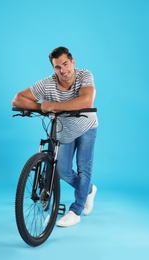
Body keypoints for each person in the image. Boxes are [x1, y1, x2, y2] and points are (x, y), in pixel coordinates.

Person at [12, 46, 98, 227]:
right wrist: (44, 106)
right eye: (58, 67)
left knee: (83, 169)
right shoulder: (48, 83)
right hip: (64, 130)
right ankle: (88, 190)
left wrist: (55, 105)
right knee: (62, 170)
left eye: (65, 64)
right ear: (53, 68)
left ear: (72, 61)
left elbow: (87, 100)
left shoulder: (84, 75)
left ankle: (76, 210)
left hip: (86, 126)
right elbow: (18, 99)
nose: (63, 70)